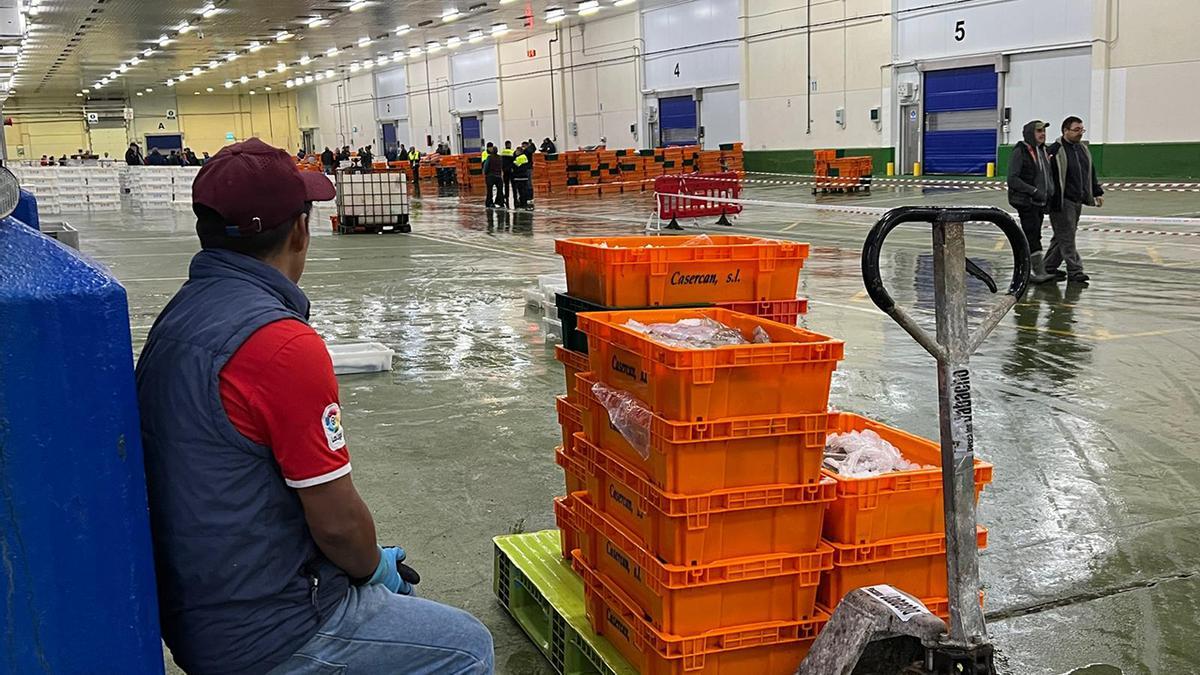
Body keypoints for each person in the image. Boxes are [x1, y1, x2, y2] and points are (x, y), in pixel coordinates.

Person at [135, 138, 495, 675]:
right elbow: (337, 526)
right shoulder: (281, 346)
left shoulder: (180, 317)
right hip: (265, 629)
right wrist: (374, 570)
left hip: (197, 606)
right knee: (465, 648)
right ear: (301, 231)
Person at [1046, 116, 1103, 284]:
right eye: (1076, 130)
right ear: (1065, 131)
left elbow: (1090, 171)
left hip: (1078, 199)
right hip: (1061, 201)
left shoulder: (1082, 149)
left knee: (1062, 236)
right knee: (1067, 236)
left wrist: (1096, 192)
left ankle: (1048, 267)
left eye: (1082, 130)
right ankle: (1075, 270)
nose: (1080, 133)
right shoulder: (1054, 150)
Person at [1007, 120, 1056, 284]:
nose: (1042, 134)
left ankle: (1031, 270)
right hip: (1026, 202)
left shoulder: (1043, 151)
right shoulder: (1020, 151)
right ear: (1030, 133)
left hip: (1040, 202)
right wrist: (1033, 191)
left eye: (1043, 131)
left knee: (1035, 235)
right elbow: (1013, 179)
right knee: (1031, 236)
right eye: (1038, 131)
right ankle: (1036, 271)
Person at [483, 142, 503, 207]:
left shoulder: (489, 157)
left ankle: (489, 203)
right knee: (499, 190)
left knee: (489, 190)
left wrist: (485, 173)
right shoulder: (500, 158)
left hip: (490, 176)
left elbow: (486, 166)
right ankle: (499, 201)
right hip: (498, 176)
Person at [512, 145, 532, 210]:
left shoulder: (519, 158)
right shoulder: (524, 157)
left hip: (519, 177)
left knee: (521, 191)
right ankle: (524, 202)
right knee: (524, 190)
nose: (515, 152)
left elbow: (515, 166)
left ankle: (522, 203)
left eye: (517, 151)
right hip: (524, 176)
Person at [500, 141, 516, 208]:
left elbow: (501, 161)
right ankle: (515, 197)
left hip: (505, 171)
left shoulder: (502, 152)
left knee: (506, 185)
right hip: (511, 171)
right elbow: (515, 161)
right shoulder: (512, 152)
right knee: (513, 185)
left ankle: (506, 197)